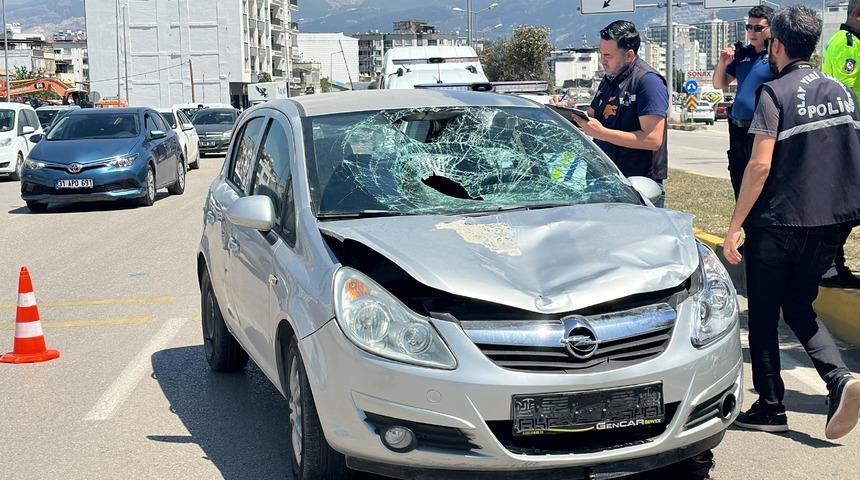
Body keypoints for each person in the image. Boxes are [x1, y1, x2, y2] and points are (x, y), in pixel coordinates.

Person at [723, 5, 860, 439]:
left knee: (763, 313)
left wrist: (734, 225)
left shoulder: (775, 93)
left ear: (777, 44)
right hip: (829, 223)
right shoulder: (842, 90)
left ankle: (770, 405)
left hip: (779, 222)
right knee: (799, 304)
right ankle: (839, 379)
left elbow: (759, 167)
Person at [551, 20, 669, 207]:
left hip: (637, 188)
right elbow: (591, 116)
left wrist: (601, 133)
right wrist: (564, 109)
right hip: (604, 181)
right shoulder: (610, 79)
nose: (602, 61)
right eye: (600, 54)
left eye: (608, 56)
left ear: (629, 55)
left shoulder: (648, 82)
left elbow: (653, 140)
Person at [713, 5, 775, 199]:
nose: (752, 32)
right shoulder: (742, 54)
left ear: (770, 28)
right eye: (749, 27)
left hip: (761, 129)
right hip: (738, 128)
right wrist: (723, 62)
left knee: (760, 182)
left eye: (758, 28)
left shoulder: (776, 56)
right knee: (739, 177)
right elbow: (719, 84)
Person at [820, 0, 860, 289]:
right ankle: (829, 265)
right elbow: (847, 92)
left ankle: (830, 263)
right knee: (848, 206)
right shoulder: (848, 45)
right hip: (850, 134)